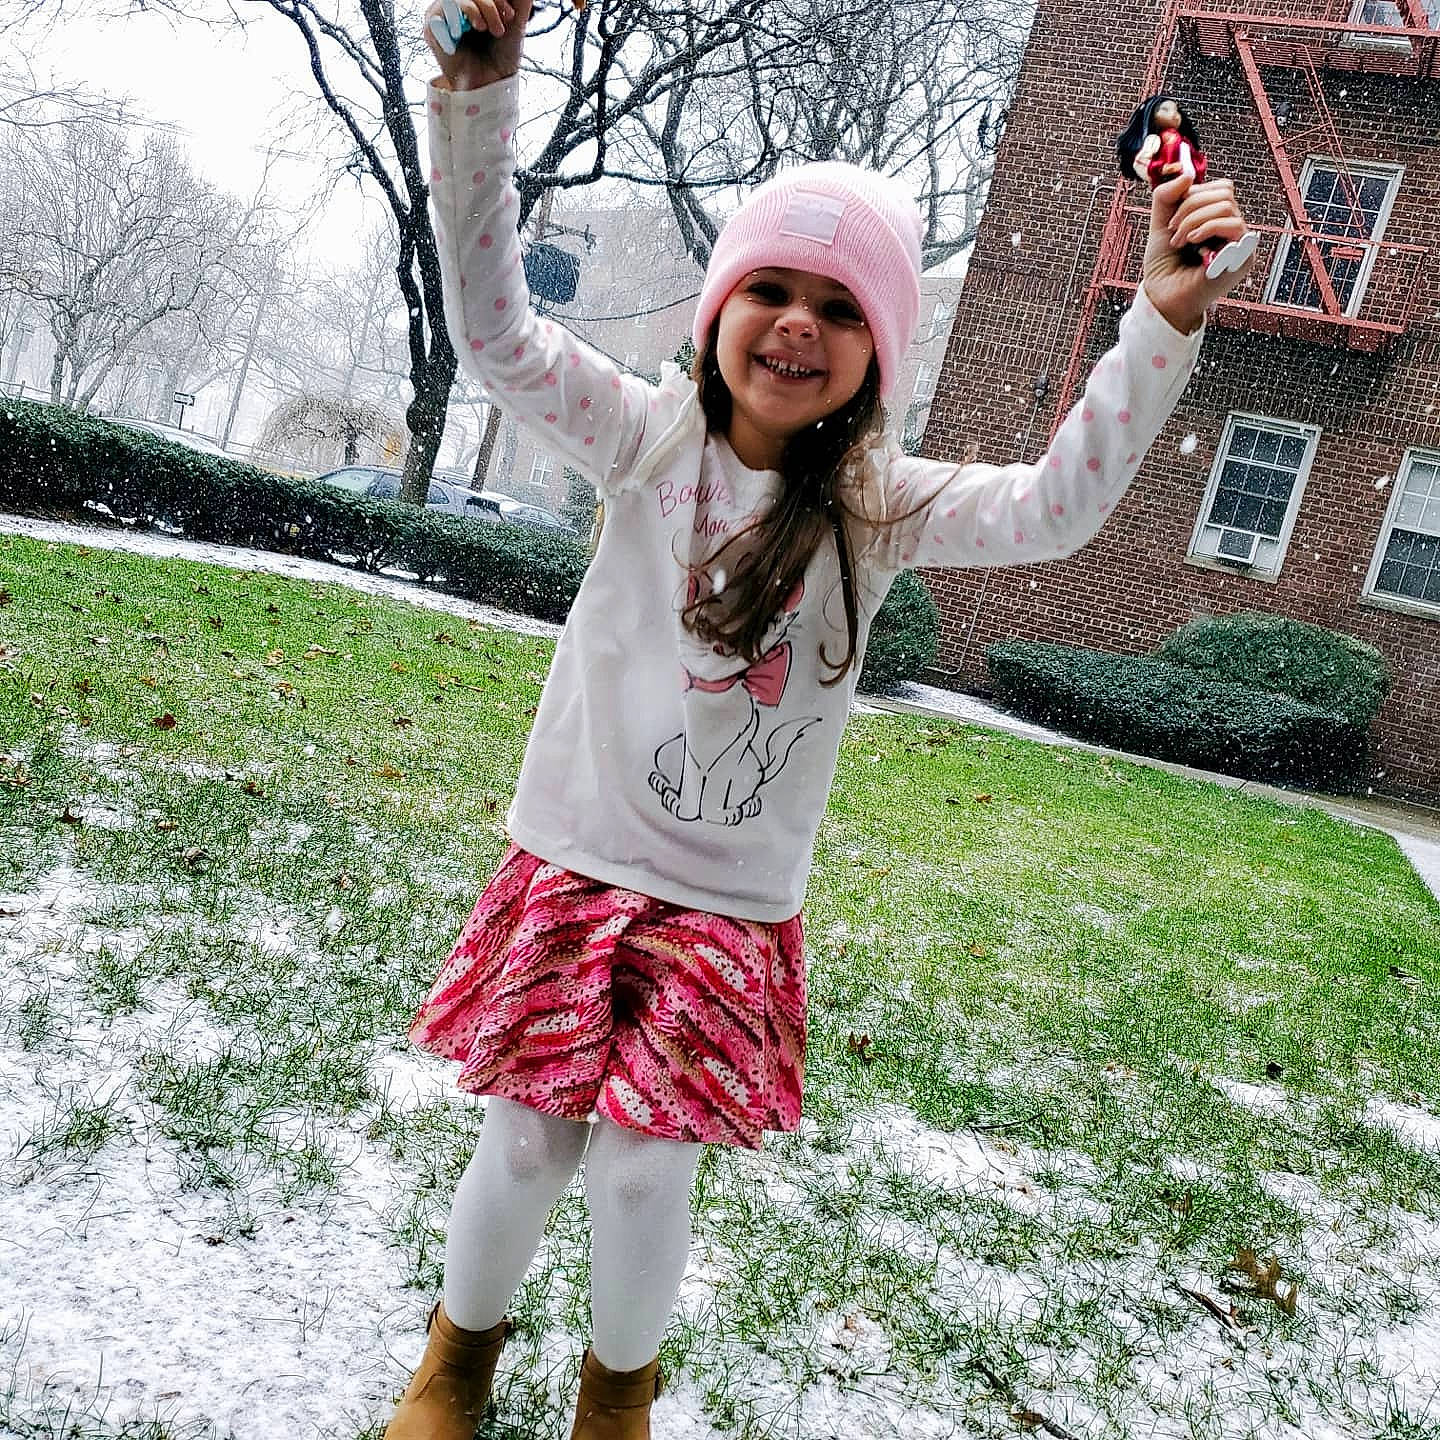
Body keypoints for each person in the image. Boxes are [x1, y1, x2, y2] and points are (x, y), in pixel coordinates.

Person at [385, 1, 1255, 1435]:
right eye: (771, 288)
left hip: (724, 903)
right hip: (577, 860)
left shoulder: (878, 506)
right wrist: (478, 112)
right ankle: (453, 1368)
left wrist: (1158, 319)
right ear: (717, 309)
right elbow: (494, 330)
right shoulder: (642, 433)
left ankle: (617, 1401)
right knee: (529, 1142)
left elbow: (1057, 509)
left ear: (881, 349)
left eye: (843, 307)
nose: (799, 323)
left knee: (647, 1168)